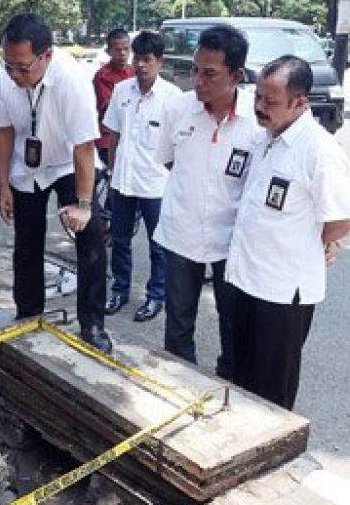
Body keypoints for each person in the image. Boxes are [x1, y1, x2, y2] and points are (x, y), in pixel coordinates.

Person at [226, 56, 350, 409]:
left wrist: (308, 247)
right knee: (244, 380)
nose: (261, 108)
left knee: (272, 393)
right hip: (247, 280)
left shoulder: (319, 150)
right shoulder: (268, 136)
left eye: (271, 101)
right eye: (258, 98)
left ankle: (271, 460)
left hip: (282, 292)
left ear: (300, 103)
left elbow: (340, 219)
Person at [0, 13, 111, 354]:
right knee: (26, 241)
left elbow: (84, 145)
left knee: (91, 240)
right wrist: (4, 186)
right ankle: (28, 314)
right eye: (8, 65)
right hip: (27, 167)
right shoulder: (3, 77)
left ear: (46, 56)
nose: (14, 75)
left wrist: (84, 205)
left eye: (23, 68)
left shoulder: (70, 79)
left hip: (70, 163)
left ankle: (93, 324)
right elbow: (4, 129)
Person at [155, 25, 264, 379]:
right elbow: (169, 160)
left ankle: (227, 386)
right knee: (178, 322)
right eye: (194, 70)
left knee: (233, 323)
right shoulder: (177, 110)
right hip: (181, 232)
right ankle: (181, 387)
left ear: (237, 75)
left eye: (210, 73)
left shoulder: (256, 122)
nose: (198, 81)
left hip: (232, 241)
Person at [102, 31, 180, 322]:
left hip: (156, 185)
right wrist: (111, 173)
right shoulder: (122, 91)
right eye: (138, 59)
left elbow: (178, 145)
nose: (141, 66)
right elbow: (114, 135)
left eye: (148, 60)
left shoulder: (172, 98)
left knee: (158, 245)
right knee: (119, 239)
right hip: (123, 180)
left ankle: (156, 296)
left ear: (159, 61)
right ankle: (120, 289)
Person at [93, 28, 134, 164]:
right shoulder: (102, 76)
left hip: (131, 136)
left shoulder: (134, 71)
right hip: (108, 139)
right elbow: (109, 107)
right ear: (109, 51)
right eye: (118, 50)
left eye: (126, 49)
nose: (122, 53)